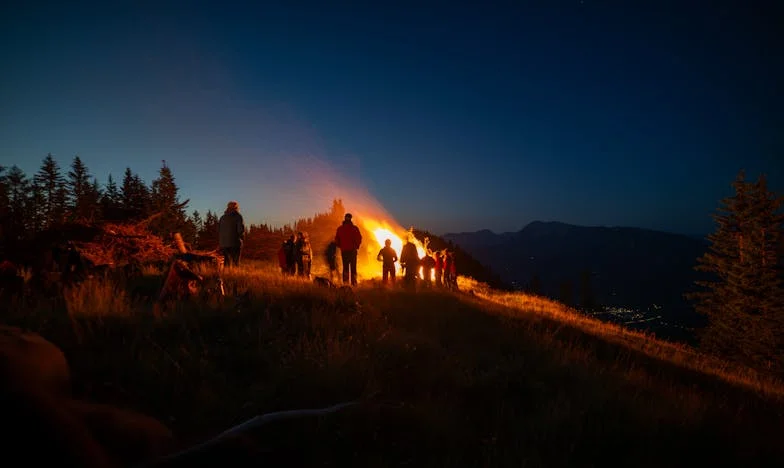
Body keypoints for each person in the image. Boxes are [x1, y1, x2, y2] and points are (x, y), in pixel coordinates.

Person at [335, 213, 362, 286]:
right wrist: (356, 246)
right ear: (351, 218)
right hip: (353, 251)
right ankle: (354, 284)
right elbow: (359, 238)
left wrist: (341, 246)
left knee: (345, 267)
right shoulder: (354, 228)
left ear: (345, 218)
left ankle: (346, 284)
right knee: (353, 268)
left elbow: (337, 240)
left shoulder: (340, 228)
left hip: (344, 251)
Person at [218, 200, 245, 268]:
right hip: (235, 243)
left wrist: (221, 241)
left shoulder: (222, 217)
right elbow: (240, 230)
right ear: (236, 207)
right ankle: (234, 276)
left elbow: (219, 230)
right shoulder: (238, 216)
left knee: (226, 263)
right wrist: (242, 239)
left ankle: (226, 276)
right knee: (235, 263)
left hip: (223, 244)